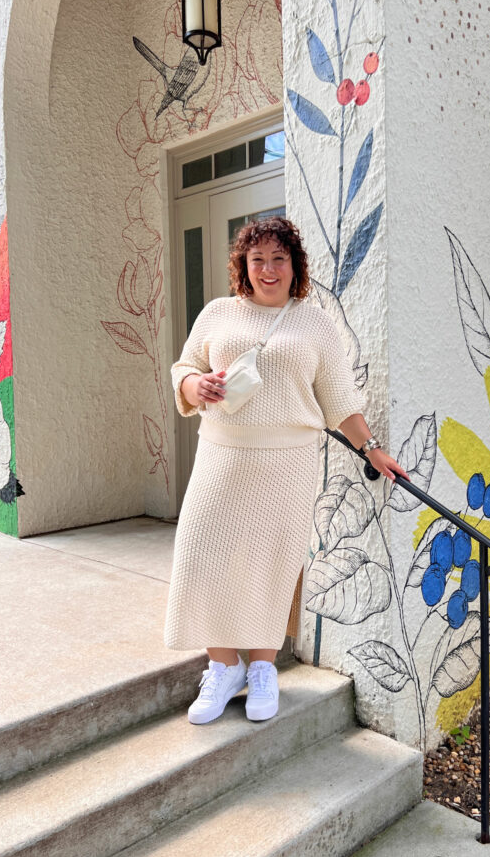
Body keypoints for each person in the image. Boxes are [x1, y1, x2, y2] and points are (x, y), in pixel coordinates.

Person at [165, 216, 408, 725]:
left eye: (279, 259)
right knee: (202, 555)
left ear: (294, 265)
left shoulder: (314, 322)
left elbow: (338, 397)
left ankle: (261, 670)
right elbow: (184, 368)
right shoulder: (217, 314)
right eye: (258, 260)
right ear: (243, 265)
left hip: (287, 464)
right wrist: (195, 387)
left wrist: (373, 450)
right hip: (221, 454)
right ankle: (222, 667)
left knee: (267, 565)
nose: (268, 269)